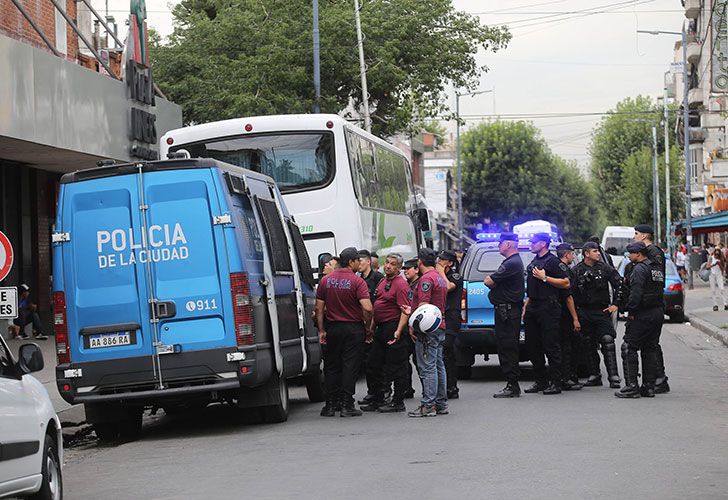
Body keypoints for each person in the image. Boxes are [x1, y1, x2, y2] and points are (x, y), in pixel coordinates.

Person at [315, 247, 373, 417]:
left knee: (332, 366)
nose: (359, 263)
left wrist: (322, 330)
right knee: (350, 366)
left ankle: (330, 405)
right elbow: (368, 308)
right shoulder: (357, 282)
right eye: (357, 260)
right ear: (350, 262)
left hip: (333, 328)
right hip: (353, 329)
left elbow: (319, 309)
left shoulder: (326, 281)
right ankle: (347, 404)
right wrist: (368, 328)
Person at [360, 253, 411, 413]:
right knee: (373, 364)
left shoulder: (401, 285)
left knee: (395, 366)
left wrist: (398, 330)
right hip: (381, 328)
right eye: (387, 263)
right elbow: (377, 307)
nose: (388, 266)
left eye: (393, 264)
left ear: (399, 268)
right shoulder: (382, 282)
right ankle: (378, 398)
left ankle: (397, 401)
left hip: (393, 327)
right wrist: (371, 329)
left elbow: (405, 311)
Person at [522, 233, 570, 395]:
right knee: (532, 345)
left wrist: (545, 278)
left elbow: (565, 282)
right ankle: (540, 381)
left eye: (533, 242)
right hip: (533, 306)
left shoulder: (554, 262)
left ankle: (556, 382)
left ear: (543, 244)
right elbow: (531, 287)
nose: (531, 244)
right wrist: (526, 306)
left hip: (548, 307)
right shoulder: (534, 261)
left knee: (551, 345)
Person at [616, 242, 664, 399]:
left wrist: (630, 310)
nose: (629, 256)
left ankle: (631, 387)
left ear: (638, 254)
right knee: (649, 348)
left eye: (631, 253)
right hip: (657, 312)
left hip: (642, 313)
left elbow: (636, 293)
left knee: (629, 347)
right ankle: (648, 387)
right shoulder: (656, 268)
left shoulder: (639, 269)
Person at [572, 241, 623, 389]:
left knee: (607, 340)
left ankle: (613, 376)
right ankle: (594, 374)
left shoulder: (605, 268)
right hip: (584, 311)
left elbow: (619, 284)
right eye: (595, 251)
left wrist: (616, 304)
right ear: (586, 253)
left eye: (598, 251)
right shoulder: (576, 270)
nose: (598, 253)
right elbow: (571, 293)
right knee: (587, 343)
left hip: (601, 311)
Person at [408, 248, 448, 417]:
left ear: (420, 262)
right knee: (439, 366)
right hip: (439, 325)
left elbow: (423, 307)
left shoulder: (426, 280)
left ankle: (428, 405)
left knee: (428, 367)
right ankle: (441, 403)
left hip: (427, 328)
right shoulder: (439, 278)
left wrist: (413, 324)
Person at [484, 232, 525, 398]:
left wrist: (492, 282)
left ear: (508, 244)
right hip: (505, 311)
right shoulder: (511, 262)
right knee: (505, 346)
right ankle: (511, 383)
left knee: (508, 347)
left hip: (507, 312)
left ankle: (512, 384)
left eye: (501, 243)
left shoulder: (511, 263)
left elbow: (489, 281)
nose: (498, 246)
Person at [630, 224, 670, 394]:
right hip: (651, 304)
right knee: (650, 345)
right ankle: (655, 380)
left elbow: (655, 277)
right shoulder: (649, 253)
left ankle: (658, 379)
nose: (634, 237)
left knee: (650, 346)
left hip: (652, 304)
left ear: (645, 236)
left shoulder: (653, 252)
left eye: (636, 234)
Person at [357, 249, 385, 406]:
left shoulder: (378, 278)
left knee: (376, 362)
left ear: (368, 262)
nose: (359, 264)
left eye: (361, 261)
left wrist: (372, 327)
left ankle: (380, 392)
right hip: (364, 325)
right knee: (368, 362)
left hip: (376, 325)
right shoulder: (360, 279)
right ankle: (372, 392)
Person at [555, 243, 583, 391]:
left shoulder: (563, 269)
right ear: (566, 254)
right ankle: (565, 378)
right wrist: (575, 318)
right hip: (565, 314)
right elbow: (568, 297)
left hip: (563, 312)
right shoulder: (563, 270)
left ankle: (568, 376)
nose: (573, 256)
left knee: (570, 345)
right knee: (566, 346)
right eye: (572, 254)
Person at [437, 249, 463, 399]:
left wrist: (440, 271)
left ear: (450, 263)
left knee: (447, 350)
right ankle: (445, 386)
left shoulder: (455, 276)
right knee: (443, 353)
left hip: (451, 317)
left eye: (442, 260)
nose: (439, 262)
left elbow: (446, 287)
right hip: (439, 317)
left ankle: (451, 387)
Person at [402, 258, 420, 399]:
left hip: (417, 327)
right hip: (405, 327)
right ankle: (406, 388)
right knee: (404, 359)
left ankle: (428, 390)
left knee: (419, 360)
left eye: (408, 268)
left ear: (416, 269)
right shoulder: (407, 284)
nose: (405, 271)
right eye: (404, 269)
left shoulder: (420, 284)